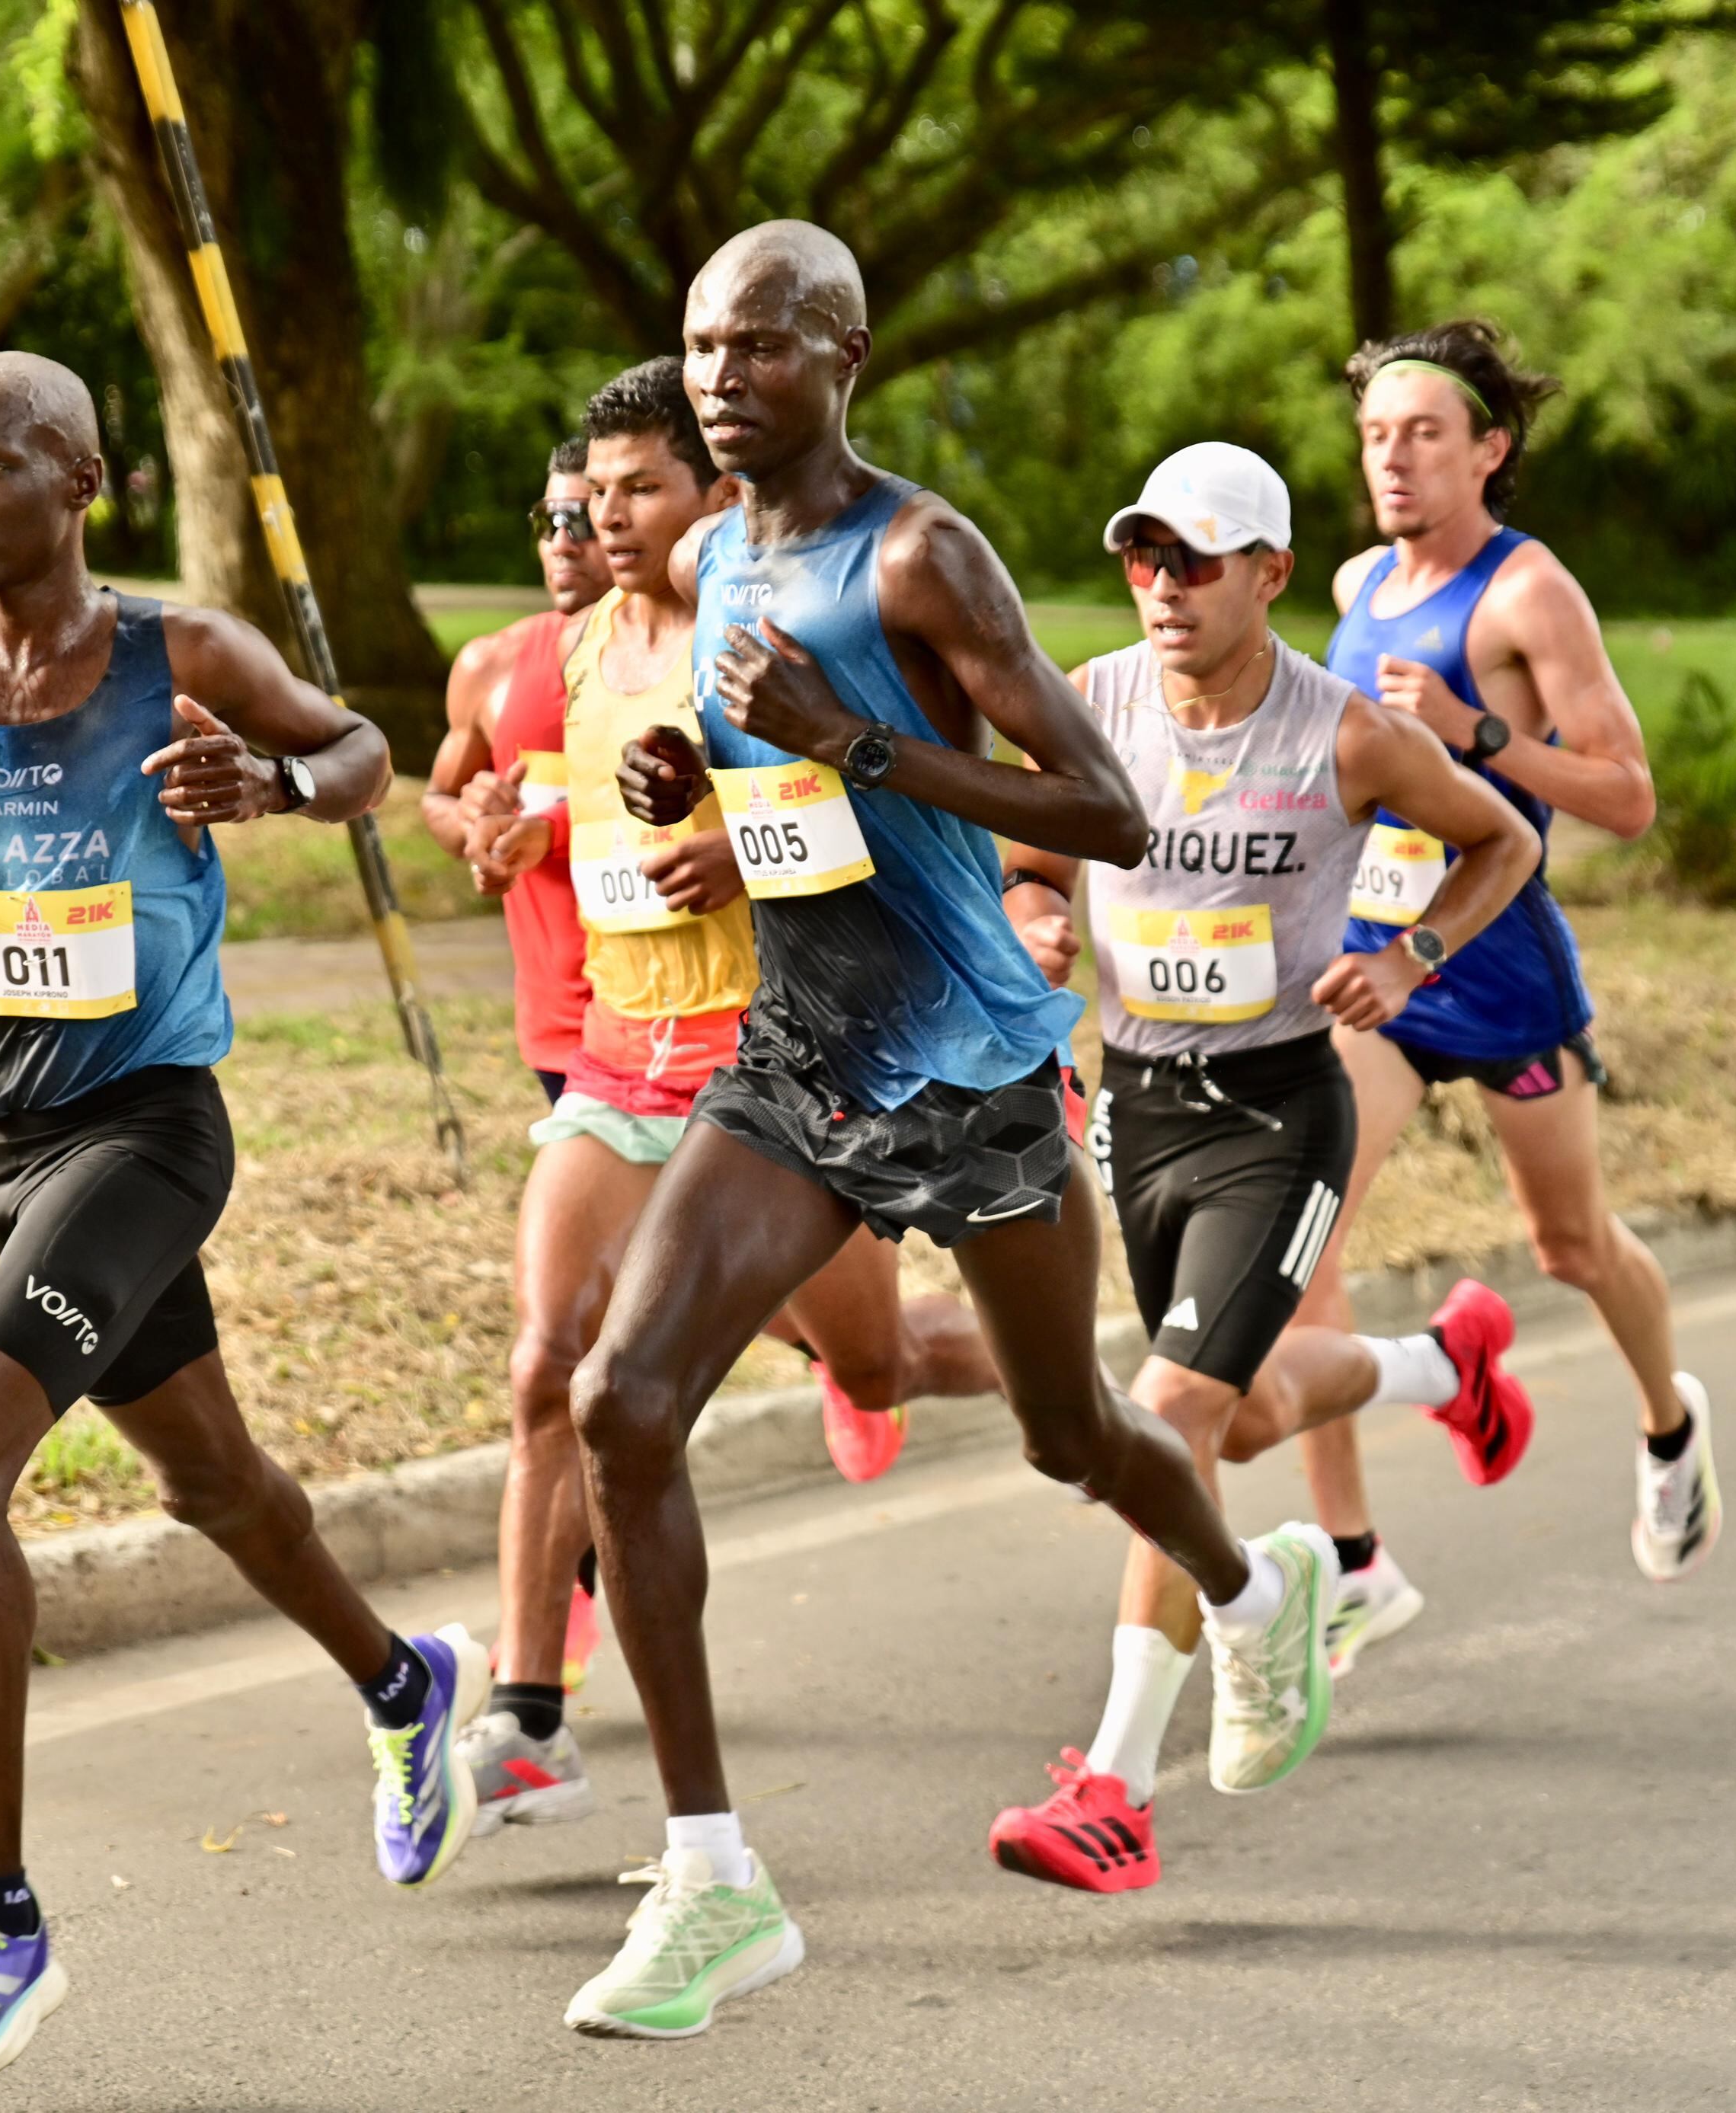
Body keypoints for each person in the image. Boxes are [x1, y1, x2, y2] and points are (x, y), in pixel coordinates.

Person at [555, 223, 1338, 2038]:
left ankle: (1250, 1589)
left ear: (845, 356)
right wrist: (697, 769)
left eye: (761, 344)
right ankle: (712, 1882)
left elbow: (1106, 809)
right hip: (797, 1055)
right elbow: (765, 769)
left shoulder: (918, 553)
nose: (720, 377)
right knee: (619, 1401)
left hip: (972, 1065)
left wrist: (849, 738)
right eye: (701, 345)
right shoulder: (707, 549)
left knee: (1072, 1433)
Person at [0, 352, 490, 2083]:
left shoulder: (178, 652)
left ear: (81, 480)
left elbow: (361, 749)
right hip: (3, 1147)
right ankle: (404, 1683)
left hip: (150, 1132)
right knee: (211, 1481)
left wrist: (272, 788)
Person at [979, 443, 1541, 1894]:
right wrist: (1038, 916)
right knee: (1234, 1423)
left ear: (1272, 573)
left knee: (1168, 1414)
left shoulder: (1346, 735)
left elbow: (1504, 841)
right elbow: (1029, 858)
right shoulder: (1092, 704)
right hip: (1138, 1108)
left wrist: (1410, 955)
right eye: (1144, 554)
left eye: (1198, 558)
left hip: (1280, 1114)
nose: (1164, 584)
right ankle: (1442, 1365)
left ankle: (1114, 1784)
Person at [448, 359, 1000, 1832]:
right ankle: (528, 1714)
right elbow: (560, 809)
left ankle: (1072, 1389)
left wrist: (745, 853)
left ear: (712, 500)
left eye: (643, 489)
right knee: (550, 1364)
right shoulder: (567, 654)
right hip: (620, 1053)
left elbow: (896, 818)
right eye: (596, 492)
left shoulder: (771, 641)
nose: (608, 517)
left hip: (776, 1058)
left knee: (882, 1362)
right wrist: (506, 826)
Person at [1290, 319, 1720, 1666]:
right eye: (1376, 435)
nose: (1393, 458)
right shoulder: (1359, 581)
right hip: (1379, 968)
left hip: (1500, 964)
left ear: (1489, 448)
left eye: (1423, 433)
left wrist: (1477, 731)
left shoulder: (1529, 593)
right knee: (1302, 1241)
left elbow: (1629, 798)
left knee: (1571, 1242)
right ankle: (1353, 1561)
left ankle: (1670, 1425)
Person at [420, 436, 611, 1108]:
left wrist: (549, 829)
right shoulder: (490, 666)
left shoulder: (692, 657)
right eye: (547, 520)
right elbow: (441, 800)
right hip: (560, 1026)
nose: (561, 543)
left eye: (582, 521)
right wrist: (478, 828)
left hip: (695, 1017)